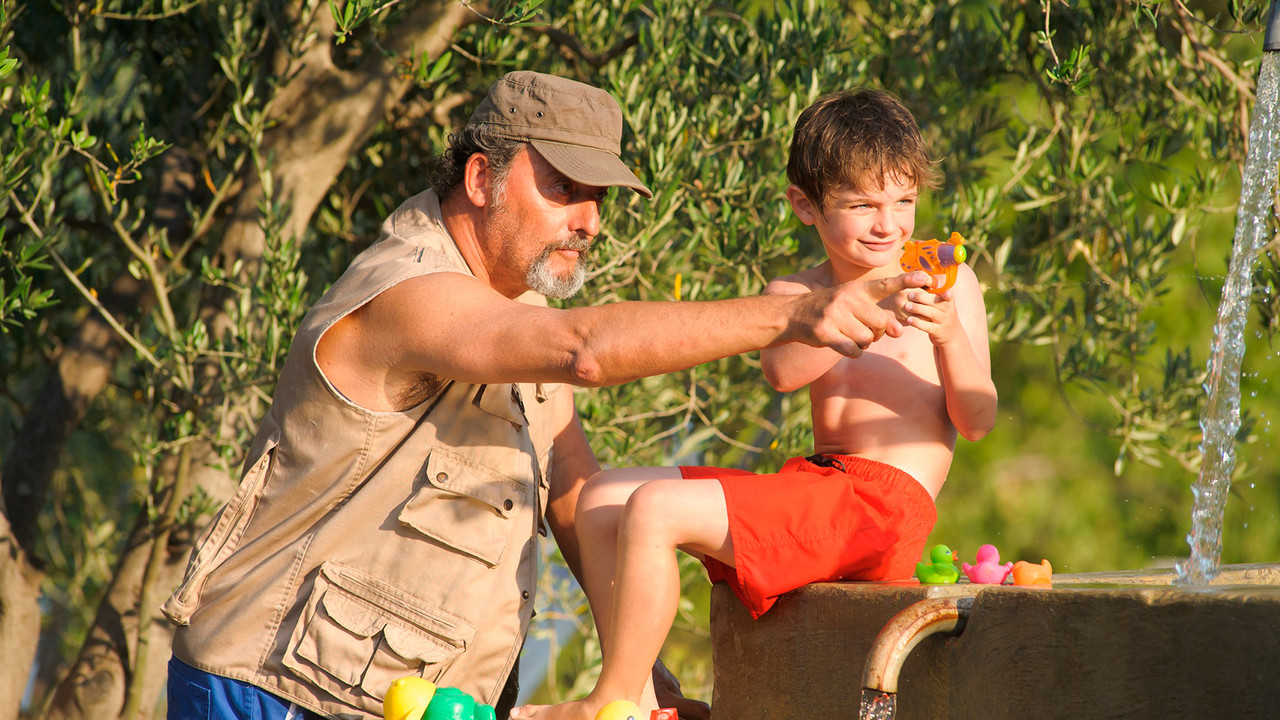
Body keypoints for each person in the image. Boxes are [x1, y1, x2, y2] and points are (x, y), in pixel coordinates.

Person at [161, 72, 932, 720]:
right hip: (270, 687)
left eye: (598, 196)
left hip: (403, 695)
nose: (588, 220)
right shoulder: (408, 291)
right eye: (563, 188)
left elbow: (573, 492)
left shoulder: (517, 309)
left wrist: (636, 682)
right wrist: (795, 312)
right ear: (479, 180)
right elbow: (585, 351)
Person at [510, 88, 998, 720]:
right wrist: (863, 306)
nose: (890, 224)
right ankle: (644, 694)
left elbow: (978, 421)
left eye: (903, 201)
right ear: (806, 206)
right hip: (824, 486)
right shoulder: (799, 291)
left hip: (887, 507)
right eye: (862, 205)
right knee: (604, 499)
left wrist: (949, 334)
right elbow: (783, 372)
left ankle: (611, 707)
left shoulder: (951, 286)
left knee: (656, 510)